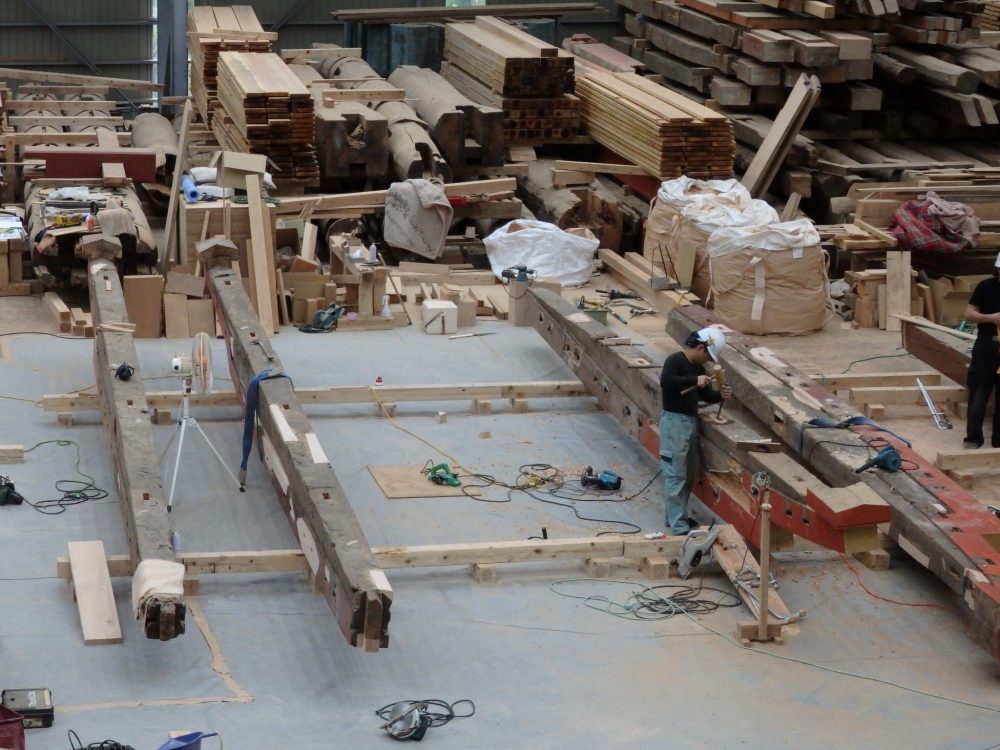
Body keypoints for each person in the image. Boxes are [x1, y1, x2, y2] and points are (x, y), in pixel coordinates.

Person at [659, 327, 732, 535]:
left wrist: (720, 395)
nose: (708, 360)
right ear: (700, 347)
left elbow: (707, 395)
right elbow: (667, 381)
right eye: (707, 355)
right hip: (674, 423)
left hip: (689, 422)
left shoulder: (698, 369)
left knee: (688, 473)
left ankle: (674, 517)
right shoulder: (675, 360)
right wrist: (694, 381)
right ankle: (679, 526)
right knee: (676, 474)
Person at [963, 251, 1000, 449]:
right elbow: (968, 314)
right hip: (987, 344)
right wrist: (991, 317)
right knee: (979, 391)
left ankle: (998, 441)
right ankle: (974, 438)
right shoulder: (986, 287)